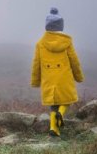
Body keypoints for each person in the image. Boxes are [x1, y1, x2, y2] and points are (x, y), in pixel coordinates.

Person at [30, 7, 84, 137]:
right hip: (63, 76)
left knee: (53, 104)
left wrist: (35, 81)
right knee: (67, 99)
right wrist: (78, 76)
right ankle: (61, 112)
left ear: (47, 26)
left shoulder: (40, 43)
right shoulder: (67, 42)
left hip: (49, 78)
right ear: (61, 26)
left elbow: (36, 64)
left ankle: (54, 128)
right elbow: (74, 60)